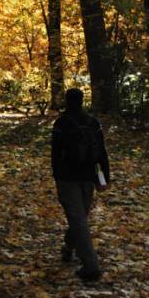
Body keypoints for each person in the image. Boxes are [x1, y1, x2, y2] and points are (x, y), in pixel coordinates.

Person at [51, 87, 110, 282]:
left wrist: (57, 177)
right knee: (79, 218)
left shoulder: (61, 123)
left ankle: (91, 266)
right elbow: (102, 151)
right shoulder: (93, 122)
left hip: (68, 178)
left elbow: (55, 154)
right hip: (88, 177)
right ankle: (68, 248)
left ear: (67, 101)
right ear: (82, 100)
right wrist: (105, 177)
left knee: (78, 220)